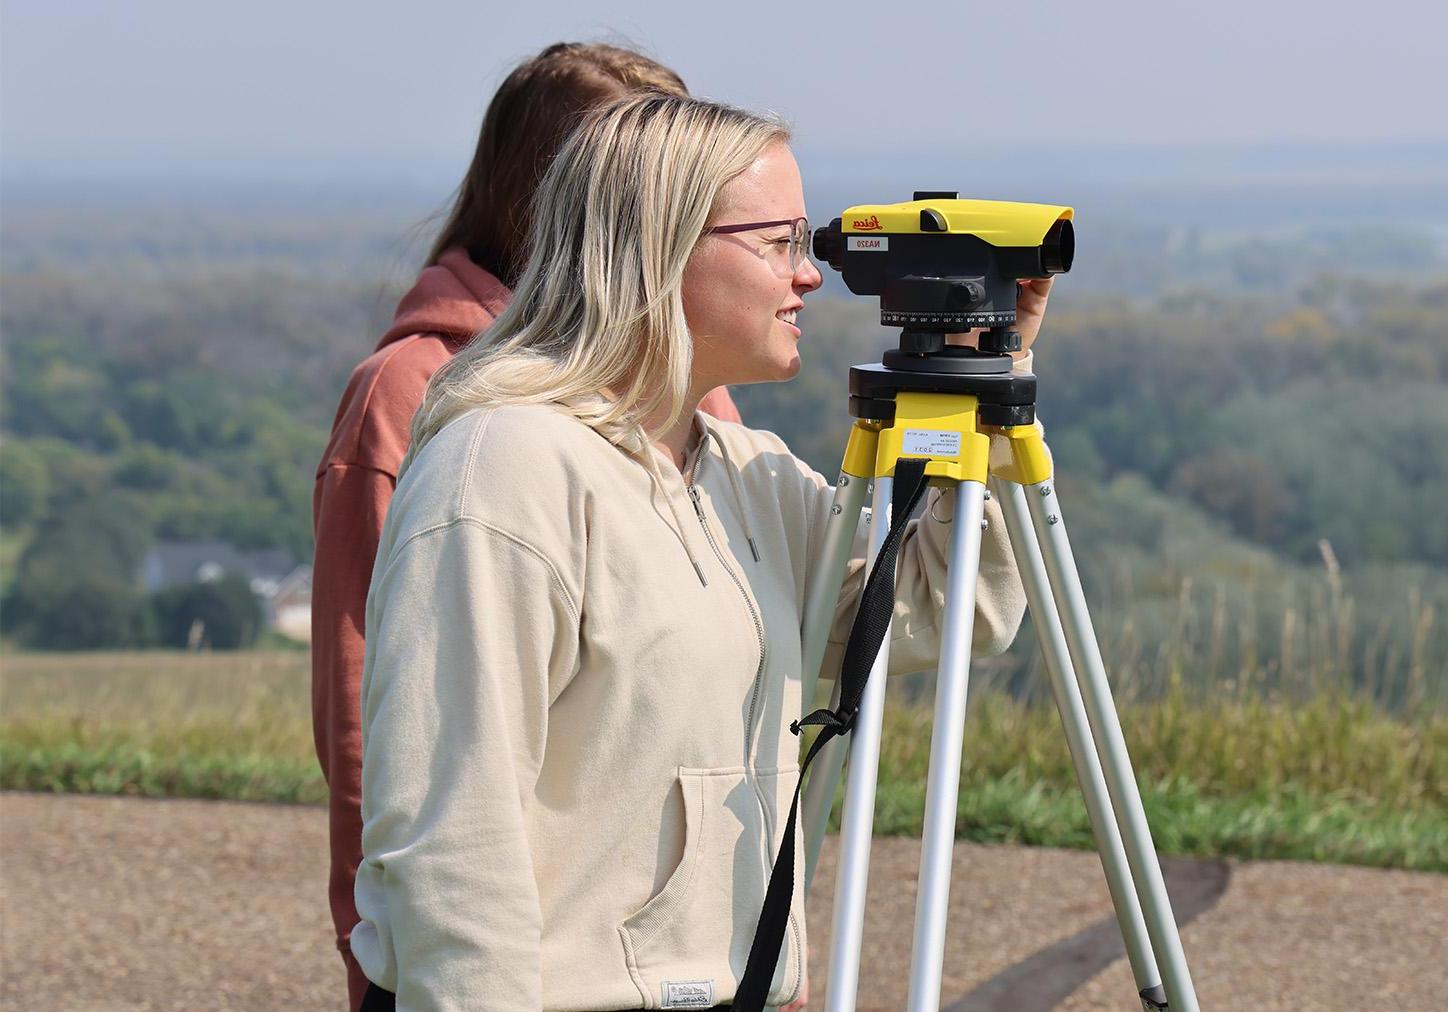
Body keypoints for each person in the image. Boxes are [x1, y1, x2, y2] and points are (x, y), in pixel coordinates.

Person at [349, 93, 1053, 1010]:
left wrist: (986, 379)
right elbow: (450, 830)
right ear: (661, 247)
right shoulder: (503, 467)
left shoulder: (744, 473)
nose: (811, 278)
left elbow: (944, 614)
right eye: (781, 243)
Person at [311, 43, 743, 1011]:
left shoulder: (696, 393)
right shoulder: (411, 395)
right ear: (554, 196)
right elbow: (368, 729)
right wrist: (384, 960)